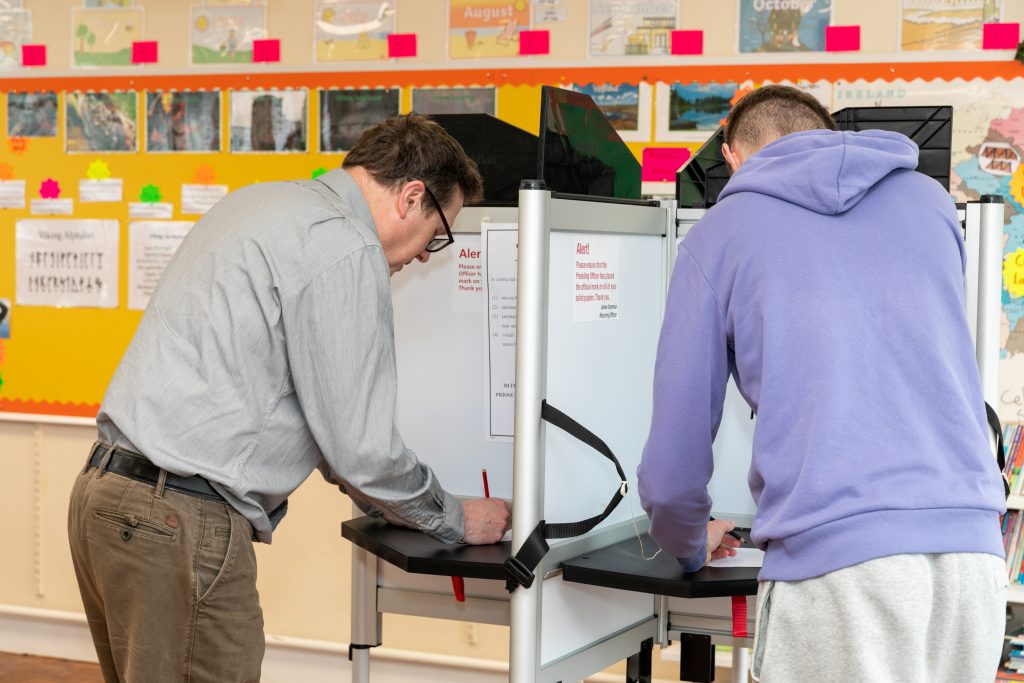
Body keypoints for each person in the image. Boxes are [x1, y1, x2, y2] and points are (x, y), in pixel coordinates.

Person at [68, 114, 512, 682]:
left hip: (105, 501)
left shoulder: (258, 205)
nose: (427, 255)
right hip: (178, 521)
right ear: (411, 197)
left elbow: (321, 421)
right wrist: (454, 518)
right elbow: (362, 451)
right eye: (439, 233)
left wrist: (391, 499)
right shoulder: (346, 247)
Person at [637, 85, 1007, 682]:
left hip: (838, 566)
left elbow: (673, 466)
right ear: (831, 137)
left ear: (731, 157)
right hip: (972, 558)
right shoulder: (930, 201)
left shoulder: (720, 232)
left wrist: (686, 540)